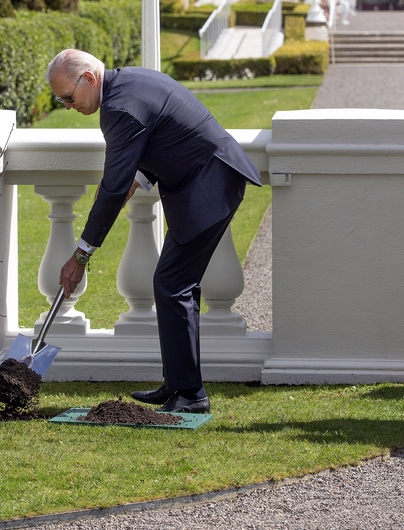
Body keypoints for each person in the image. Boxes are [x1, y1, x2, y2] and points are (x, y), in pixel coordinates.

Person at [49, 49, 261, 414]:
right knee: (174, 283)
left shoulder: (118, 108)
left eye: (68, 97)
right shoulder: (128, 82)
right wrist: (138, 177)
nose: (67, 105)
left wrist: (81, 255)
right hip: (210, 178)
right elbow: (165, 132)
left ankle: (191, 396)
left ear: (89, 79)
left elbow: (113, 189)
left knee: (171, 283)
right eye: (60, 100)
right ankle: (178, 384)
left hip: (209, 185)